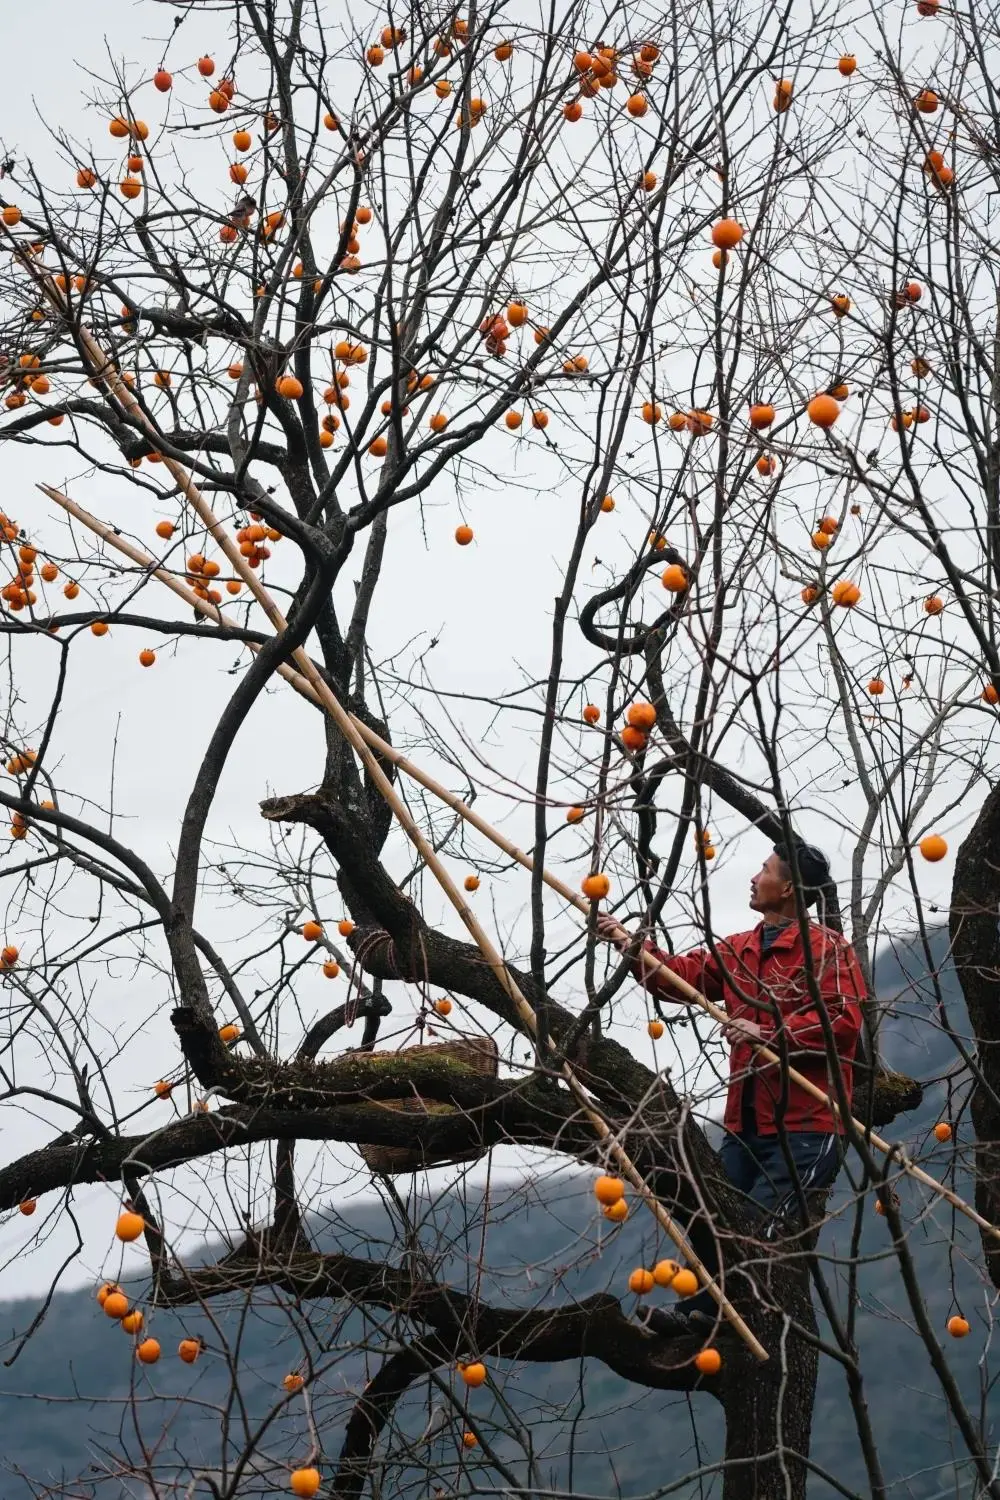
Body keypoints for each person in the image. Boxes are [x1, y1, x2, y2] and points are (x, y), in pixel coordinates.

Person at [597, 842, 865, 1332]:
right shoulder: (741, 948)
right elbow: (681, 980)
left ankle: (709, 1320)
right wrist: (629, 945)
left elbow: (843, 1019)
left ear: (787, 888)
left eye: (763, 870)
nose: (753, 877)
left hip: (807, 1128)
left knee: (756, 1234)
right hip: (746, 1124)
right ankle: (702, 1316)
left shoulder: (827, 949)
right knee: (714, 1227)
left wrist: (773, 1034)